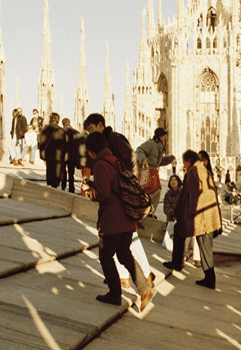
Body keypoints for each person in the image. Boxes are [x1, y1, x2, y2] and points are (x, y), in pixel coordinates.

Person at [82, 131, 155, 312]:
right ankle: (145, 288)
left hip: (113, 220)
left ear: (91, 151)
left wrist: (90, 191)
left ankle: (115, 293)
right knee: (123, 253)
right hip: (127, 217)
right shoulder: (115, 161)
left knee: (106, 256)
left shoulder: (100, 164)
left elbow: (104, 194)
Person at [164, 149, 222, 289]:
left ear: (188, 161)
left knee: (204, 246)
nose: (183, 165)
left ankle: (210, 278)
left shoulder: (193, 172)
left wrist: (190, 212)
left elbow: (196, 194)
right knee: (183, 233)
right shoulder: (203, 170)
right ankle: (180, 263)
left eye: (184, 162)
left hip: (201, 216)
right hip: (207, 214)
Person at [136, 127, 176, 218]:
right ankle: (145, 213)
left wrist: (170, 159)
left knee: (156, 192)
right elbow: (139, 150)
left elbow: (159, 162)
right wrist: (143, 160)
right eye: (164, 135)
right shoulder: (151, 143)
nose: (166, 137)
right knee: (149, 192)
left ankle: (150, 212)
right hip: (148, 171)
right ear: (161, 136)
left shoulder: (159, 146)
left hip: (154, 172)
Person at [38, 112, 67, 188]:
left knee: (49, 167)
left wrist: (41, 151)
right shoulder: (61, 130)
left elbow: (41, 142)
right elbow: (64, 144)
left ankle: (50, 182)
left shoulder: (45, 129)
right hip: (58, 154)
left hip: (48, 153)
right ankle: (56, 184)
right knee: (57, 168)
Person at [61, 117, 85, 192]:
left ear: (63, 124)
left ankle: (63, 185)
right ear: (69, 123)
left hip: (63, 154)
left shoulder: (61, 131)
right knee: (71, 173)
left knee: (63, 171)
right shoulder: (76, 132)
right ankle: (71, 187)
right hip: (72, 155)